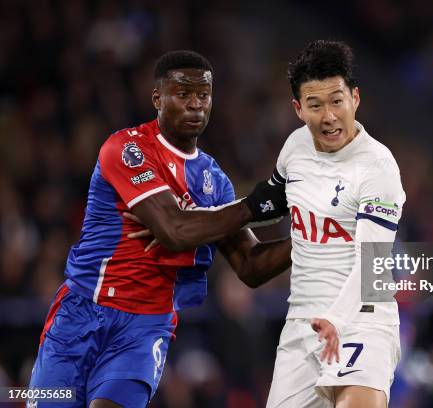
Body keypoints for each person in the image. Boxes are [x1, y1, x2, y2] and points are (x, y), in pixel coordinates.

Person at [28, 50, 291, 408]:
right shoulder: (126, 148)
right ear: (158, 98)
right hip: (80, 313)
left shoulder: (214, 181)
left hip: (144, 329)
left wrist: (311, 239)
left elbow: (251, 267)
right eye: (183, 95)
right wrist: (252, 206)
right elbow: (174, 230)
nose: (195, 105)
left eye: (203, 95)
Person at [265, 40, 406, 408]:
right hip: (301, 325)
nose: (328, 116)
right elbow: (262, 204)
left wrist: (336, 319)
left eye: (336, 101)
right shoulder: (294, 148)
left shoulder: (377, 166)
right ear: (298, 108)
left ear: (355, 99)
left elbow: (373, 264)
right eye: (315, 105)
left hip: (362, 320)